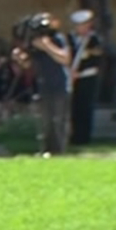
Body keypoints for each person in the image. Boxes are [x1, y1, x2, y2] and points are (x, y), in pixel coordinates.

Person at [26, 14, 72, 156]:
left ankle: (59, 151)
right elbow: (30, 64)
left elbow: (65, 59)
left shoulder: (57, 39)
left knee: (58, 119)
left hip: (60, 84)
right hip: (44, 85)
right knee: (45, 120)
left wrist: (47, 46)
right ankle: (46, 149)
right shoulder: (34, 43)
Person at [67, 9, 104, 145]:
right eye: (78, 25)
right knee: (73, 107)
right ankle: (73, 135)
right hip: (71, 77)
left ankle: (83, 137)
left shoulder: (94, 40)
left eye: (84, 24)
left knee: (85, 107)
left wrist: (80, 72)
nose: (81, 28)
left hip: (87, 77)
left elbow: (96, 59)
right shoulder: (69, 38)